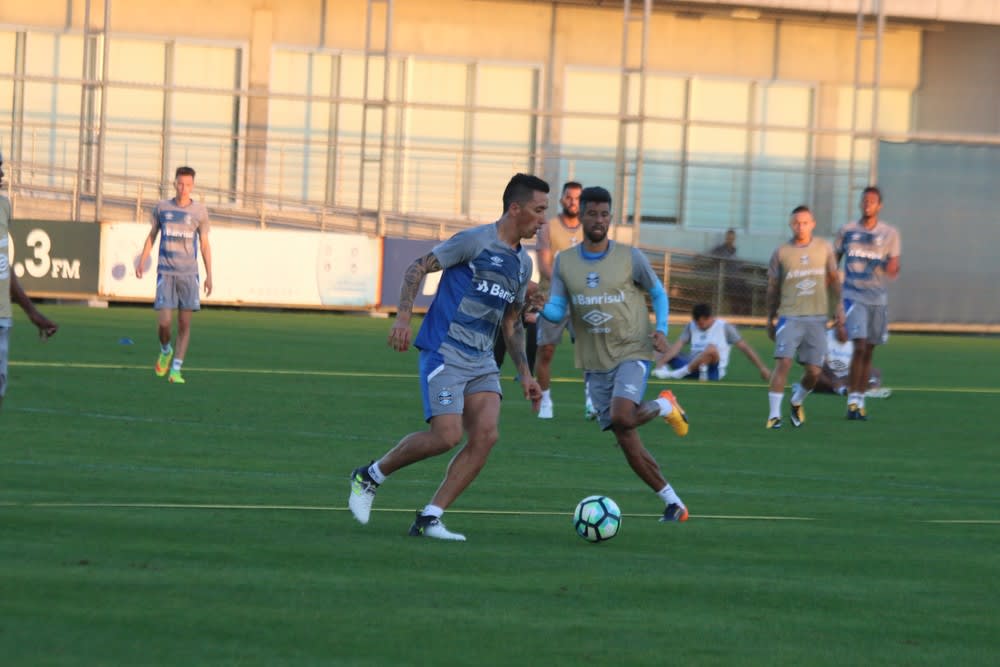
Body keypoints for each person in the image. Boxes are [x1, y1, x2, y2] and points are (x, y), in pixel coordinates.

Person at [348, 173, 546, 541]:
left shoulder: (523, 265)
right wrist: (403, 320)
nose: (543, 219)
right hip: (445, 350)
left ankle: (430, 517)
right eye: (538, 210)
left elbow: (512, 322)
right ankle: (369, 476)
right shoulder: (475, 241)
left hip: (482, 360)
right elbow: (416, 268)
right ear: (515, 208)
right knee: (446, 435)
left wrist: (526, 375)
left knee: (486, 435)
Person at [540, 186, 692, 523]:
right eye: (591, 213)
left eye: (604, 214)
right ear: (581, 217)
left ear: (611, 217)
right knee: (626, 439)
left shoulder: (629, 256)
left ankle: (666, 405)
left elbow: (658, 292)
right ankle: (674, 503)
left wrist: (662, 329)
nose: (598, 220)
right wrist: (539, 313)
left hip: (632, 348)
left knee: (624, 416)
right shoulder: (565, 261)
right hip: (594, 360)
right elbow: (557, 308)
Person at [764, 205, 844, 429]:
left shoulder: (824, 248)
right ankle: (774, 416)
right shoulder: (781, 253)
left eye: (805, 222)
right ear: (791, 225)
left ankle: (797, 399)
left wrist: (839, 307)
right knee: (784, 363)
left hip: (817, 317)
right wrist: (769, 317)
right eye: (796, 223)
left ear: (813, 224)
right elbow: (772, 287)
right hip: (789, 316)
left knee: (814, 372)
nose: (800, 227)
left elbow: (834, 279)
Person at [136, 166, 213, 385]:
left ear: (193, 186)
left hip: (189, 275)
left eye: (188, 185)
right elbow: (152, 236)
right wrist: (142, 260)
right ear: (174, 183)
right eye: (180, 183)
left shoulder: (199, 212)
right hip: (165, 272)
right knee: (165, 323)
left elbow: (205, 245)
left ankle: (176, 370)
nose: (183, 188)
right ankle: (165, 350)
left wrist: (209, 275)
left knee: (184, 324)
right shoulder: (162, 208)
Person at [834, 186, 901, 420]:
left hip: (877, 299)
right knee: (859, 345)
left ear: (879, 206)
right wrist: (834, 298)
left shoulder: (890, 233)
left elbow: (894, 264)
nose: (867, 204)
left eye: (872, 201)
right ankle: (852, 402)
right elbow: (833, 264)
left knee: (869, 350)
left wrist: (891, 267)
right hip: (853, 296)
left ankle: (860, 401)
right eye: (864, 200)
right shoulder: (847, 231)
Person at [0, 150, 59, 412]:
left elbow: (4, 268)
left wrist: (33, 313)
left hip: (2, 319)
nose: (1, 174)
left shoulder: (4, 205)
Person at [534, 181, 591, 420]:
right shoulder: (548, 227)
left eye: (577, 198)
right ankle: (546, 399)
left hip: (582, 299)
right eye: (569, 197)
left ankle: (592, 400)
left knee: (590, 352)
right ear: (561, 200)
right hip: (554, 298)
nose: (572, 202)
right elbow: (545, 265)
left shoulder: (589, 228)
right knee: (546, 351)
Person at [651, 303, 770, 382]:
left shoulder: (725, 327)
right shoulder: (691, 326)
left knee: (711, 349)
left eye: (702, 323)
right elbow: (677, 347)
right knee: (658, 342)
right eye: (697, 323)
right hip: (691, 364)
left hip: (712, 370)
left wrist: (762, 368)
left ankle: (677, 374)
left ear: (710, 318)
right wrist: (660, 363)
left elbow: (746, 348)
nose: (700, 326)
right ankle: (665, 370)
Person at [800, 326, 890, 398]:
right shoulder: (825, 337)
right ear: (836, 326)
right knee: (815, 374)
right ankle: (840, 388)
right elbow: (820, 363)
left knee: (875, 372)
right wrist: (835, 379)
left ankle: (871, 389)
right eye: (841, 327)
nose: (844, 332)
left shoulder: (857, 341)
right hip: (828, 375)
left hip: (847, 375)